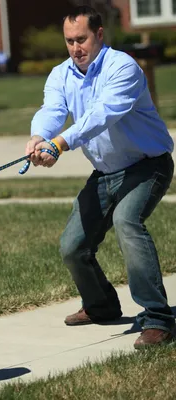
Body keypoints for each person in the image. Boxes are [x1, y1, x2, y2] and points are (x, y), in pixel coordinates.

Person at [25, 5, 175, 349]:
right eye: (69, 41)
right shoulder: (60, 74)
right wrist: (39, 138)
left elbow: (101, 115)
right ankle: (101, 304)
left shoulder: (123, 68)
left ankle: (158, 318)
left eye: (82, 39)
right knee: (72, 247)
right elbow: (52, 110)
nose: (76, 48)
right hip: (106, 172)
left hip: (147, 165)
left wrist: (60, 143)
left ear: (99, 35)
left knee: (127, 222)